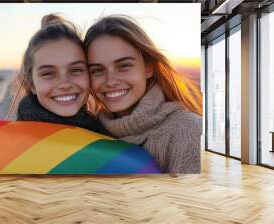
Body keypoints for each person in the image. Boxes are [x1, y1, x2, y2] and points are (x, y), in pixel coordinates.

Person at [83, 15, 203, 173]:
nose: (110, 81)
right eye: (97, 70)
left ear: (148, 68)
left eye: (124, 66)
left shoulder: (187, 129)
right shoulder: (91, 130)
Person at [17, 14, 109, 135]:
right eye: (48, 73)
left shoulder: (104, 135)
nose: (65, 84)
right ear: (32, 84)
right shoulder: (11, 143)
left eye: (76, 70)